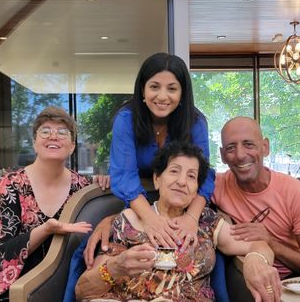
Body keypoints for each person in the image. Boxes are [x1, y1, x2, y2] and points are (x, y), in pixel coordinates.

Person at [75, 142, 281, 302]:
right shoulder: (128, 221)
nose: (182, 181)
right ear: (157, 179)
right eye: (174, 171)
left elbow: (258, 244)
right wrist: (116, 267)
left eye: (191, 176)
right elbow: (82, 290)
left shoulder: (206, 222)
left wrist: (255, 260)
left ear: (195, 191)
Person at [84, 52, 214, 267]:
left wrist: (191, 219)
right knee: (98, 248)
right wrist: (151, 220)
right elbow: (125, 177)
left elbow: (204, 176)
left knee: (207, 256)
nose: (162, 96)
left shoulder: (196, 122)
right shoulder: (126, 119)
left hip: (184, 203)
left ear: (182, 92)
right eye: (155, 86)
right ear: (143, 88)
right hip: (136, 202)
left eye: (172, 88)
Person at [0, 107, 93, 301]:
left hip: (68, 282)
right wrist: (46, 230)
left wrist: (105, 184)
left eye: (62, 132)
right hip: (19, 285)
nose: (53, 137)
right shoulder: (12, 184)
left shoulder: (83, 187)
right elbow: (1, 251)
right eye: (46, 131)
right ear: (34, 143)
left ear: (72, 145)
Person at [213, 116, 300, 280]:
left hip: (293, 279)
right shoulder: (216, 184)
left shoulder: (292, 191)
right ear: (223, 155)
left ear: (265, 147)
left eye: (248, 144)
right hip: (244, 277)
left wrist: (270, 241)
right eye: (231, 148)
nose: (240, 155)